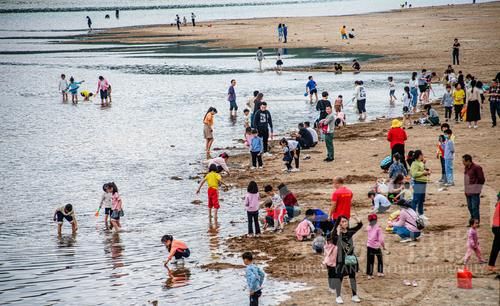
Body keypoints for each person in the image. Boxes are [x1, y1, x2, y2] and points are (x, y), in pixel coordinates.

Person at [327, 215, 363, 304]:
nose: (344, 223)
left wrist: (357, 219)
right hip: (340, 259)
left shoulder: (349, 231)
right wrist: (338, 233)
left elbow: (360, 225)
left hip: (350, 257)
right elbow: (333, 241)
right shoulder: (334, 234)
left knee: (352, 277)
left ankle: (354, 295)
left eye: (345, 221)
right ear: (339, 223)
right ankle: (338, 296)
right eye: (342, 222)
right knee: (340, 278)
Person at [462, 154, 485, 223]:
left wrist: (477, 188)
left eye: (463, 161)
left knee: (475, 207)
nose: (462, 163)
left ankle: (476, 222)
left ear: (468, 161)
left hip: (474, 191)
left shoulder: (477, 168)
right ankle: (473, 221)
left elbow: (482, 179)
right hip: (468, 191)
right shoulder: (466, 168)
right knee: (470, 207)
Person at [410, 150, 430, 218]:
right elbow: (414, 174)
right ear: (419, 155)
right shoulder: (414, 163)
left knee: (421, 199)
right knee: (416, 199)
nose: (423, 156)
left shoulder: (421, 163)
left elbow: (422, 170)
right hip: (418, 182)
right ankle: (413, 214)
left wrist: (427, 171)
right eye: (422, 155)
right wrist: (424, 173)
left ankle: (421, 214)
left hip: (423, 182)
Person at [366, 214, 385, 279]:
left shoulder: (368, 227)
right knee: (379, 259)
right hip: (376, 247)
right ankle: (380, 272)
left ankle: (369, 274)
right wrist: (383, 246)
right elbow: (381, 239)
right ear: (376, 220)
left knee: (370, 260)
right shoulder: (378, 228)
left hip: (369, 246)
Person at [486, 193, 500, 272]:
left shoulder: (498, 203)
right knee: (496, 247)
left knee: (496, 246)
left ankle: (491, 265)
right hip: (498, 228)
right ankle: (490, 265)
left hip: (495, 226)